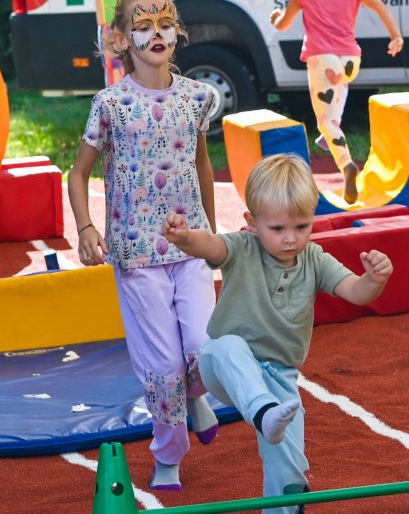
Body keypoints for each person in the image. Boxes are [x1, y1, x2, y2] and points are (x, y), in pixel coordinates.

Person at [162, 153, 393, 513]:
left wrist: (373, 280)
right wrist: (184, 237)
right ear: (252, 223)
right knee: (227, 347)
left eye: (302, 227)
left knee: (288, 468)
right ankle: (263, 411)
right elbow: (208, 246)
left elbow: (354, 292)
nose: (291, 239)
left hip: (281, 379)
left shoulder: (315, 259)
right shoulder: (242, 248)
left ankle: (284, 503)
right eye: (278, 229)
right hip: (223, 365)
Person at [68, 0, 219, 491]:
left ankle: (194, 396)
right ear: (120, 38)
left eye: (166, 22)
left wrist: (213, 239)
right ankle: (169, 455)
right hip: (137, 255)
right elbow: (78, 173)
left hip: (191, 248)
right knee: (163, 365)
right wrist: (87, 228)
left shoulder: (197, 97)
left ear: (178, 32)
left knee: (203, 348)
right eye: (144, 23)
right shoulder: (110, 104)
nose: (156, 32)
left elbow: (201, 165)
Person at [269, 0, 404, 205]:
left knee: (325, 121)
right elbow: (381, 6)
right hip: (351, 59)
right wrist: (396, 37)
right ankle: (332, 133)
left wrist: (276, 18)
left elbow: (284, 24)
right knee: (338, 91)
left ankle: (346, 164)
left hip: (323, 59)